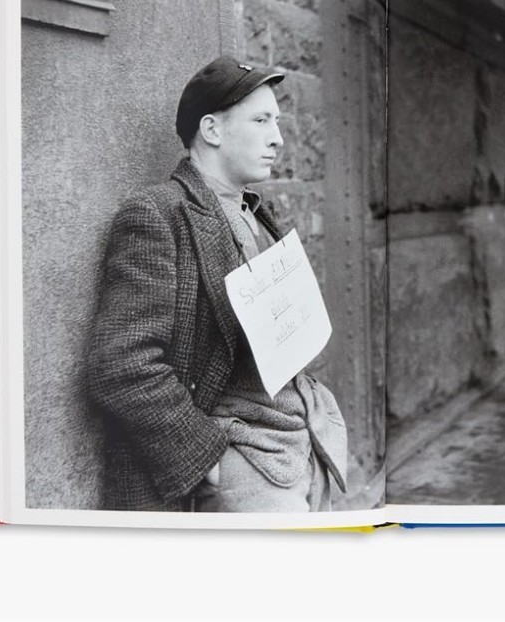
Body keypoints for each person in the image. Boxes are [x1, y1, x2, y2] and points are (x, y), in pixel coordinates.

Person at [87, 55, 347, 512]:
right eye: (261, 121)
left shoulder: (255, 212)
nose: (278, 138)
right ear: (211, 129)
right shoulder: (157, 214)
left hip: (301, 443)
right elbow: (122, 364)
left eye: (277, 122)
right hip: (242, 462)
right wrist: (208, 461)